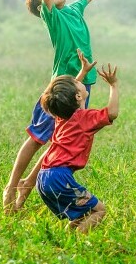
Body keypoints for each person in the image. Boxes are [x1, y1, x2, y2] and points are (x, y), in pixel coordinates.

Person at [2, 0, 128, 213]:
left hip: (83, 85)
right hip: (61, 87)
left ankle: (24, 194)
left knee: (60, 141)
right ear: (41, 6)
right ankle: (11, 188)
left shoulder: (73, 9)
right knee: (36, 138)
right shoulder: (53, 17)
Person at [36, 54, 120, 233]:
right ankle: (77, 243)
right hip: (59, 178)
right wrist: (113, 85)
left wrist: (82, 72)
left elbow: (66, 95)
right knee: (99, 210)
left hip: (43, 177)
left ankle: (68, 237)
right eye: (78, 83)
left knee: (81, 213)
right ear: (78, 96)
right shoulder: (85, 118)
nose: (79, 82)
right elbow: (112, 113)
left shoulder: (62, 116)